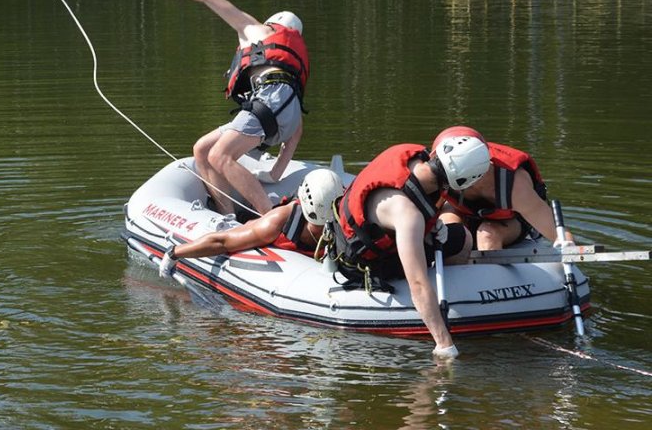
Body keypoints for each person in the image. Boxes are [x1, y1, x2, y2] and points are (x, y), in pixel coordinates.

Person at [328, 135, 491, 360]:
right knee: (463, 239)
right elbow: (417, 284)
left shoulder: (408, 152)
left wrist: (432, 226)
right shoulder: (408, 215)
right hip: (363, 264)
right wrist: (444, 344)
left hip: (356, 233)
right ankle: (440, 310)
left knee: (452, 234)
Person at [161, 0, 308, 219]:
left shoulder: (255, 30)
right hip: (283, 112)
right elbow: (296, 131)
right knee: (202, 150)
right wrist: (275, 174)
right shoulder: (290, 70)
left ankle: (271, 219)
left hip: (269, 101)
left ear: (272, 23)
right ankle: (227, 215)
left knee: (220, 155)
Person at [158, 168, 344, 277]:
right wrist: (175, 253)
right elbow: (223, 241)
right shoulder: (276, 223)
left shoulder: (346, 221)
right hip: (259, 230)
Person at [432, 126, 575, 251]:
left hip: (511, 220)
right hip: (460, 211)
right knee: (449, 228)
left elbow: (555, 232)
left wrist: (567, 245)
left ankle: (490, 277)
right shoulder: (436, 173)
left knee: (487, 234)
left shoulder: (514, 185)